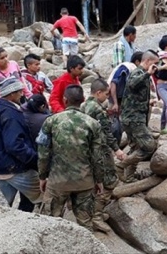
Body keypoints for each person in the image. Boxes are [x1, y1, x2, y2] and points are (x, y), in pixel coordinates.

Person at [37, 85, 104, 231]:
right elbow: (97, 156)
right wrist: (98, 180)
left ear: (65, 100)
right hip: (84, 182)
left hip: (57, 181)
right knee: (85, 224)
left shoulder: (51, 121)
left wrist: (42, 176)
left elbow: (43, 153)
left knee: (50, 224)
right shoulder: (93, 124)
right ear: (83, 100)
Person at [0, 78, 42, 213]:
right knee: (44, 195)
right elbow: (15, 146)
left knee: (1, 208)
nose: (22, 95)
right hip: (12, 168)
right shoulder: (12, 114)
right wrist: (36, 159)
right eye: (19, 92)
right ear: (12, 94)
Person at [81, 79, 125, 233]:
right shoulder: (98, 110)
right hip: (100, 150)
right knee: (109, 182)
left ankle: (92, 211)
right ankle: (96, 216)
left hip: (86, 150)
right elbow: (106, 133)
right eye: (106, 94)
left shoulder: (83, 105)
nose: (107, 98)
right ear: (98, 93)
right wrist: (117, 150)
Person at [118, 50, 160, 183]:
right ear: (147, 61)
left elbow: (135, 93)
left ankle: (129, 177)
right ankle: (120, 165)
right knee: (149, 146)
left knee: (136, 147)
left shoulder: (143, 74)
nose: (155, 67)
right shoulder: (138, 73)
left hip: (134, 117)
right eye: (154, 64)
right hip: (133, 119)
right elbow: (132, 83)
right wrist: (148, 74)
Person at [108, 51, 143, 144]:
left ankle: (121, 143)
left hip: (123, 99)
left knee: (122, 122)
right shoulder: (126, 68)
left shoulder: (135, 71)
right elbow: (113, 84)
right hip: (115, 97)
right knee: (112, 123)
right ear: (137, 62)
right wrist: (115, 103)